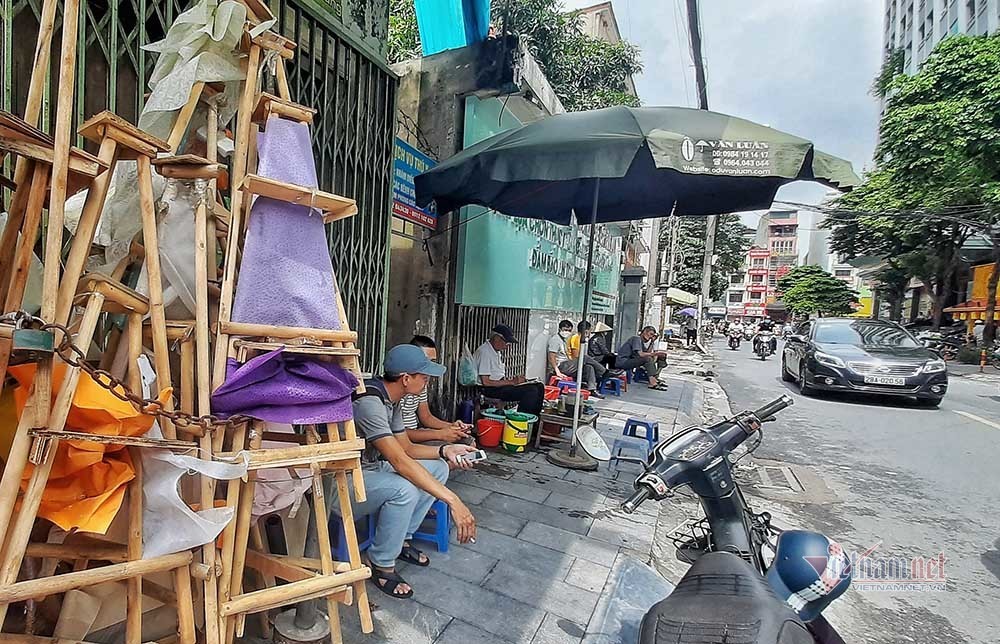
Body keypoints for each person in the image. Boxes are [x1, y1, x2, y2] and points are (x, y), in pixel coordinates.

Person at [307, 344, 478, 600]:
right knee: (404, 489)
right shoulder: (369, 402)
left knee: (438, 468)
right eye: (424, 377)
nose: (428, 381)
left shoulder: (392, 399)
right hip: (339, 482)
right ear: (406, 379)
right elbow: (399, 460)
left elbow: (406, 448)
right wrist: (453, 500)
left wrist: (445, 450)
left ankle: (402, 539)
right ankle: (382, 563)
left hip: (369, 470)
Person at [402, 336, 472, 444]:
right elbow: (397, 435)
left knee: (467, 441)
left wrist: (451, 426)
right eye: (425, 361)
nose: (429, 366)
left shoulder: (421, 382)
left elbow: (426, 417)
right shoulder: (396, 388)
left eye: (432, 361)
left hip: (414, 434)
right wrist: (441, 435)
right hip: (405, 439)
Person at [474, 324, 544, 415]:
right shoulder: (485, 352)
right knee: (531, 391)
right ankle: (522, 419)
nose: (508, 346)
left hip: (499, 386)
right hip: (490, 389)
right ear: (496, 338)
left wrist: (515, 381)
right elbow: (486, 382)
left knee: (539, 386)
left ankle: (534, 418)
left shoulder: (495, 351)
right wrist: (512, 382)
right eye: (507, 342)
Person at [549, 320, 613, 398]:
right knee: (584, 358)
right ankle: (604, 372)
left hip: (569, 365)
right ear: (559, 329)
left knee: (589, 368)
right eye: (565, 330)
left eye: (569, 330)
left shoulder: (565, 339)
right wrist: (557, 371)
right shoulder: (555, 340)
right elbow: (551, 356)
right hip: (561, 365)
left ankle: (592, 390)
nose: (567, 332)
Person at [616, 326, 669, 390]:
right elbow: (641, 354)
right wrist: (655, 353)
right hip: (623, 361)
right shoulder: (636, 339)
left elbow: (647, 353)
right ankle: (652, 382)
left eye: (652, 335)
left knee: (655, 357)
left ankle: (654, 378)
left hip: (630, 361)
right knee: (648, 359)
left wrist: (652, 342)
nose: (651, 337)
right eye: (650, 334)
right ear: (644, 332)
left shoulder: (641, 342)